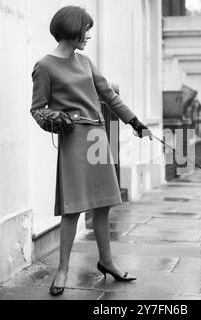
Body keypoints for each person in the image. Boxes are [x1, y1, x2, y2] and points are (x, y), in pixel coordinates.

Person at [31, 6, 152, 296]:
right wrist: (54, 118)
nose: (88, 35)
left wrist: (136, 123)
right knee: (73, 208)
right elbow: (37, 108)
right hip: (73, 139)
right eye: (85, 29)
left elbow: (109, 96)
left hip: (98, 136)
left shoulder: (85, 62)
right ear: (71, 29)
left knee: (103, 203)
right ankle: (62, 270)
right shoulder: (45, 66)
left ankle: (107, 260)